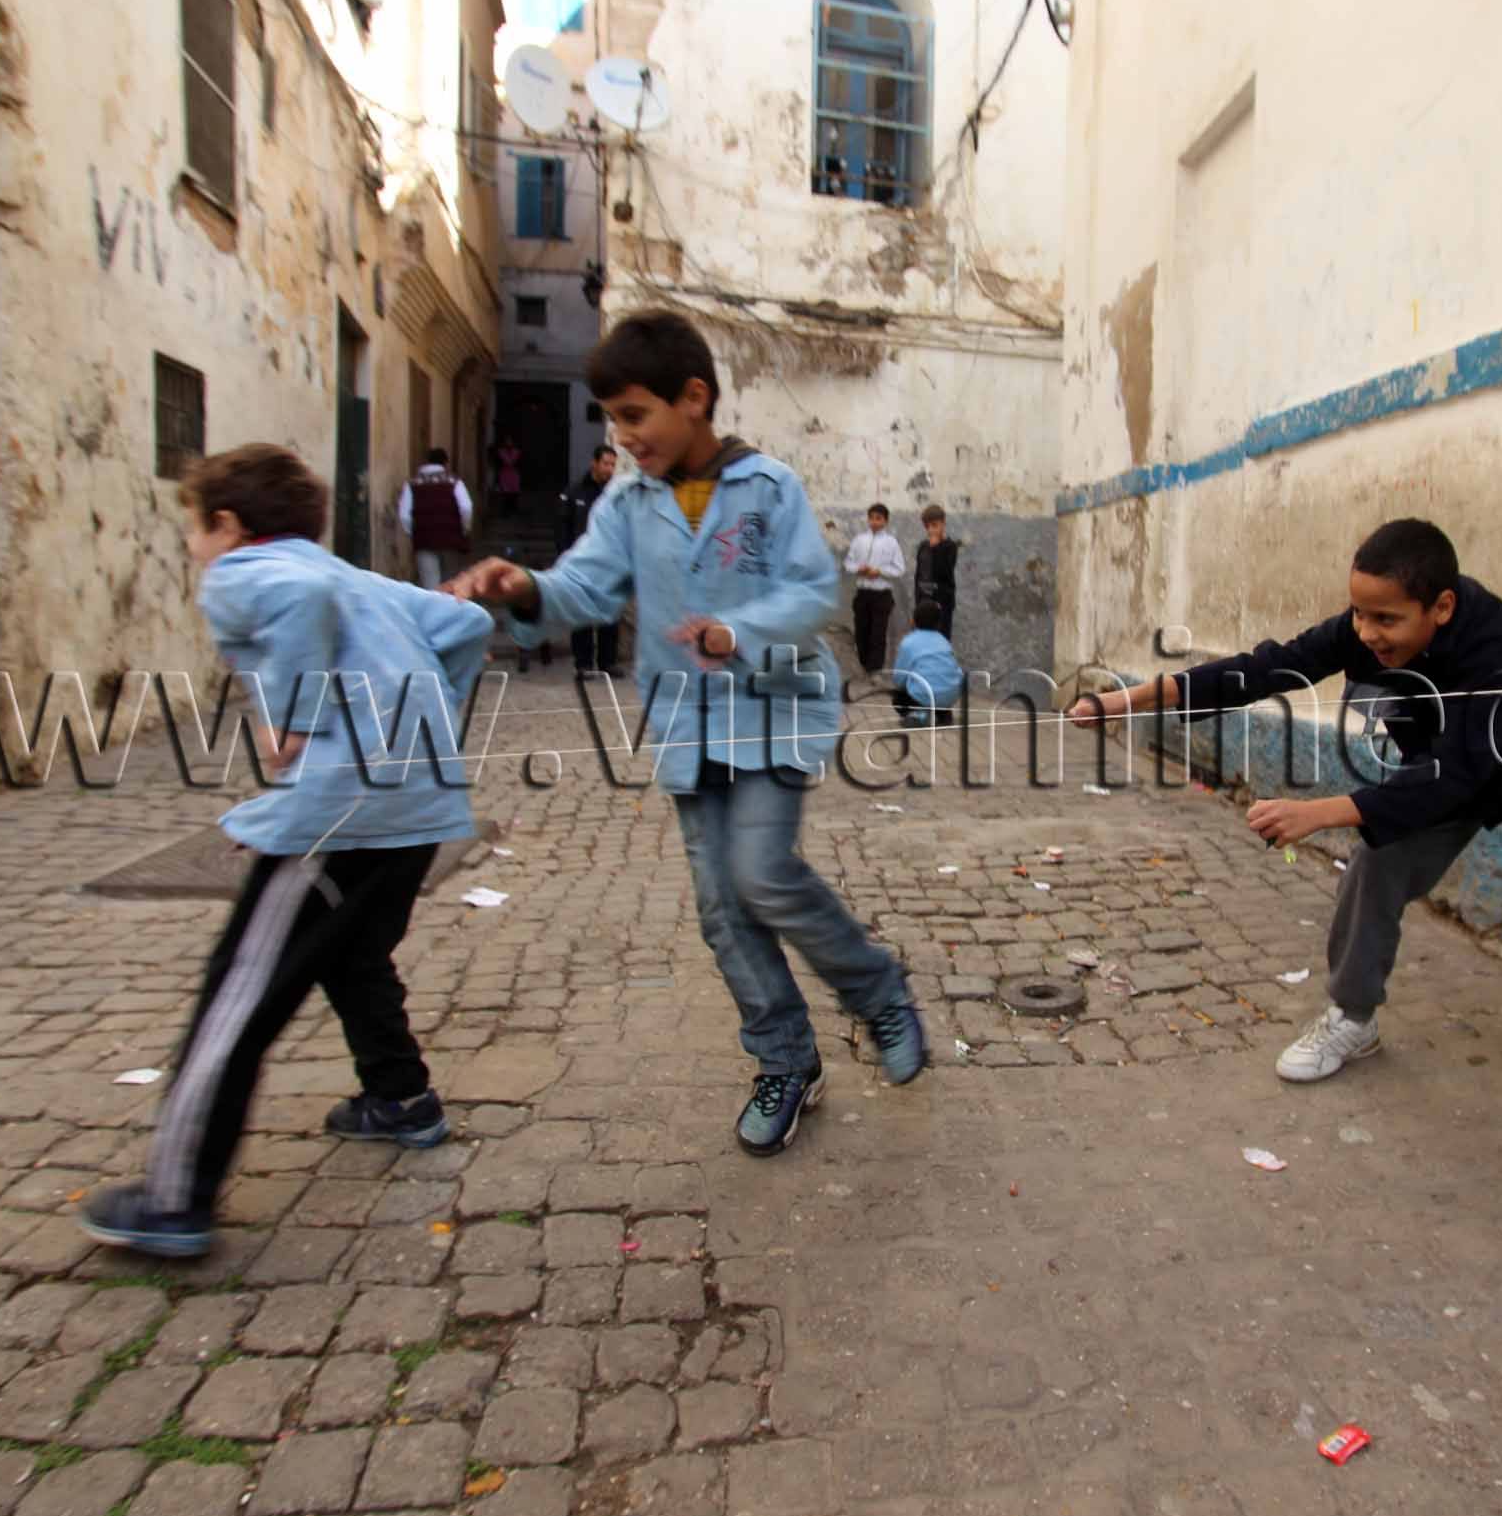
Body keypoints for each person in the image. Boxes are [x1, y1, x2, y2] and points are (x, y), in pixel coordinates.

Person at [446, 309, 925, 1155]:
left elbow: (814, 592)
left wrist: (736, 632)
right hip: (687, 726)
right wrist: (523, 588)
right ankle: (786, 1059)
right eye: (613, 420)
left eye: (635, 414)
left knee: (763, 874)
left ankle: (877, 989)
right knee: (721, 910)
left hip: (773, 711)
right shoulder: (627, 501)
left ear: (693, 398)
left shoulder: (769, 487)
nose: (624, 437)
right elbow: (586, 588)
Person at [1067, 518, 1502, 1168]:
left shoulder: (1501, 651)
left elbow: (1455, 777)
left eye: (1385, 619)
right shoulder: (1368, 628)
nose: (1366, 633)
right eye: (1359, 614)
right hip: (1454, 763)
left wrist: (1319, 812)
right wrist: (1124, 701)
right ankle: (1352, 1016)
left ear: (1441, 607)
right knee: (1377, 861)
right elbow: (1261, 669)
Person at [81, 443, 492, 1256]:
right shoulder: (359, 579)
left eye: (194, 529)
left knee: (240, 990)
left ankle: (174, 1196)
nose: (193, 547)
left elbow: (298, 601)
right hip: (419, 806)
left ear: (228, 524)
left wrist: (291, 720)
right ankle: (400, 1097)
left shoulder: (250, 570)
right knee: (351, 952)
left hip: (336, 813)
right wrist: (430, 714)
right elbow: (469, 622)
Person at [562, 443, 625, 677]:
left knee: (610, 614)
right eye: (606, 463)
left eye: (613, 465)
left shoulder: (617, 494)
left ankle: (608, 661)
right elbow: (563, 527)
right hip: (582, 563)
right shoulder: (575, 491)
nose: (609, 469)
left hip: (611, 563)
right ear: (594, 463)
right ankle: (583, 663)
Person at [844, 502, 905, 677]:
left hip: (881, 595)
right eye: (871, 518)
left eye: (878, 518)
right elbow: (848, 563)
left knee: (878, 635)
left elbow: (899, 569)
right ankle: (864, 669)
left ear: (885, 521)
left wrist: (879, 572)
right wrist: (858, 569)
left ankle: (875, 672)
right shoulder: (859, 540)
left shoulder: (891, 543)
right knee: (861, 632)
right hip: (863, 593)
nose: (874, 522)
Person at [397, 448, 472, 589]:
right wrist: (464, 528)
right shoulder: (454, 481)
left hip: (424, 539)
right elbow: (466, 507)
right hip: (451, 538)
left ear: (427, 461)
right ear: (445, 463)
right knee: (451, 582)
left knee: (430, 584)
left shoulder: (412, 484)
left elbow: (404, 515)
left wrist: (413, 532)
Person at [891, 599, 963, 728]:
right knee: (934, 690)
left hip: (924, 696)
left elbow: (899, 678)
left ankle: (921, 715)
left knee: (898, 698)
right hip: (950, 696)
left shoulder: (908, 642)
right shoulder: (944, 641)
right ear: (939, 623)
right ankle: (942, 714)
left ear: (913, 621)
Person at [913, 503, 959, 639]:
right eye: (927, 527)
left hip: (941, 602)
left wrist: (936, 549)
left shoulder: (950, 546)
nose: (931, 530)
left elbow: (945, 572)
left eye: (934, 525)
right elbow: (918, 575)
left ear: (943, 524)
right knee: (923, 638)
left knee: (940, 638)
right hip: (923, 600)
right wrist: (917, 602)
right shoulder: (923, 546)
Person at [492, 436, 523, 523]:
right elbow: (498, 464)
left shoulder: (517, 452)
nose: (508, 443)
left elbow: (520, 464)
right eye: (507, 441)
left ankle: (513, 510)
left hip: (514, 474)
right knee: (505, 493)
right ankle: (506, 511)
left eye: (510, 441)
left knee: (514, 493)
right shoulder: (501, 453)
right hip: (504, 474)